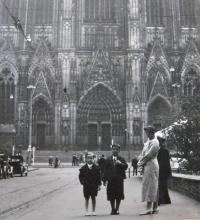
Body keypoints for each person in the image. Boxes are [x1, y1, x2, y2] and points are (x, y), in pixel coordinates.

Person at [138, 125, 160, 215]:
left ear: (152, 132)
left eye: (148, 132)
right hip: (148, 165)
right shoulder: (148, 141)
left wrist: (140, 163)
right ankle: (154, 208)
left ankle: (149, 208)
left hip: (151, 165)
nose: (146, 134)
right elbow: (143, 153)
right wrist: (140, 160)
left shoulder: (155, 143)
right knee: (150, 185)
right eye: (146, 132)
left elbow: (148, 155)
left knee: (152, 186)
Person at [102, 144, 128, 215]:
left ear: (119, 150)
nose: (115, 150)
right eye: (113, 149)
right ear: (111, 150)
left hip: (119, 180)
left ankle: (117, 209)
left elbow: (126, 166)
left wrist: (120, 163)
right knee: (111, 195)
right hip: (111, 180)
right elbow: (105, 170)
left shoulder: (121, 159)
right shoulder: (108, 159)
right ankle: (112, 209)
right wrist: (104, 180)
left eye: (116, 149)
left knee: (119, 194)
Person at [157, 135, 172, 205]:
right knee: (164, 186)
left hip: (162, 171)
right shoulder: (164, 150)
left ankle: (160, 200)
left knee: (161, 185)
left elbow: (163, 162)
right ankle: (167, 200)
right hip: (164, 171)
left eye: (159, 142)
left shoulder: (163, 150)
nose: (159, 143)